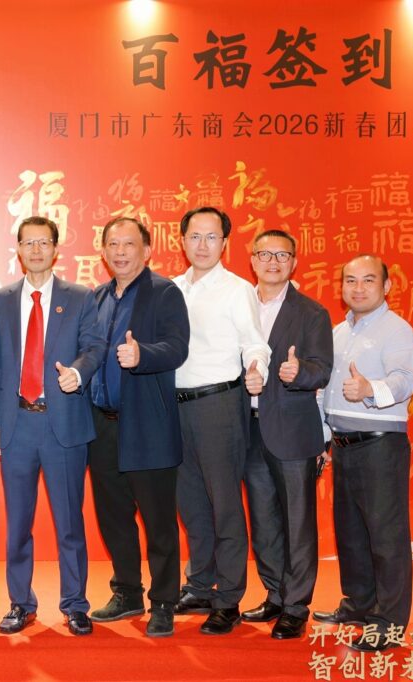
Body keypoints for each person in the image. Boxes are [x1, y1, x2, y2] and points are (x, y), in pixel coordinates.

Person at [0, 216, 105, 636]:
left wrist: (78, 372)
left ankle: (75, 604)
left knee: (69, 522)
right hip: (16, 425)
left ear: (56, 249)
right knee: (18, 523)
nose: (36, 250)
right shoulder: (0, 300)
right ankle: (21, 603)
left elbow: (94, 346)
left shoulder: (79, 297)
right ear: (18, 249)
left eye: (44, 243)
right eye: (28, 243)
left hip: (63, 425)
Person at [86, 217, 189, 638]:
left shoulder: (164, 292)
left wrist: (141, 354)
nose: (120, 252)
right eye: (113, 244)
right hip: (102, 426)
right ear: (103, 251)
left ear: (147, 250)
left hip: (146, 424)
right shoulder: (96, 298)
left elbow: (177, 347)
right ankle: (127, 592)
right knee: (114, 516)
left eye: (129, 244)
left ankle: (163, 602)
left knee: (158, 520)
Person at [172, 207, 271, 635]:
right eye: (195, 236)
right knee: (191, 504)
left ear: (225, 244)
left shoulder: (237, 289)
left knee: (225, 505)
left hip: (219, 404)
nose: (203, 245)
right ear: (181, 241)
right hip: (176, 407)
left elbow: (255, 343)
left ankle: (228, 598)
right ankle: (199, 585)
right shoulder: (171, 289)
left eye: (212, 237)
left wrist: (257, 369)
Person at [315, 255, 413, 653]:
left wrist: (370, 390)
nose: (358, 288)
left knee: (386, 538)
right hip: (343, 444)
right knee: (352, 533)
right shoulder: (339, 332)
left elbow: (404, 380)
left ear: (387, 286)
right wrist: (324, 439)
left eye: (368, 280)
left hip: (380, 444)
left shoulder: (397, 330)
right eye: (350, 280)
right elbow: (326, 393)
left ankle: (388, 623)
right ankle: (359, 604)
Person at [241, 230, 333, 640]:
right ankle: (275, 594)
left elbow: (322, 368)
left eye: (282, 255)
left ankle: (296, 605)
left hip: (293, 431)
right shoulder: (240, 306)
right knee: (263, 521)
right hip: (247, 429)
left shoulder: (311, 312)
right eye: (265, 254)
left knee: (298, 521)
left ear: (294, 262)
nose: (273, 262)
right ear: (252, 260)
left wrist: (299, 373)